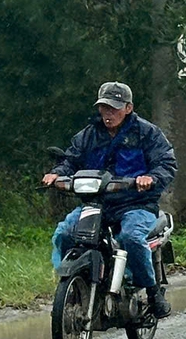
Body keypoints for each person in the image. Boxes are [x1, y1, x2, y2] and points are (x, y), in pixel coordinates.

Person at [43, 81, 177, 318]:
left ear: (128, 108)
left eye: (114, 108)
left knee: (131, 238)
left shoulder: (147, 133)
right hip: (96, 204)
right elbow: (70, 161)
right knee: (64, 233)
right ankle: (74, 283)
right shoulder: (87, 135)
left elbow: (166, 163)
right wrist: (57, 173)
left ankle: (152, 292)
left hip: (136, 204)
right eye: (104, 108)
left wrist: (150, 178)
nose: (108, 114)